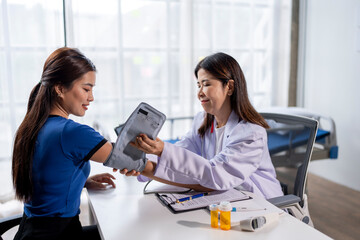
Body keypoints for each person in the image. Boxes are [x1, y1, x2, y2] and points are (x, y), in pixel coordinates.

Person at [122, 52, 283, 199]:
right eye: (198, 85)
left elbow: (217, 173)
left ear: (230, 87)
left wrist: (161, 150)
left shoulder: (251, 133)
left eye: (206, 84)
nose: (199, 92)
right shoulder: (203, 121)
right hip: (227, 197)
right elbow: (182, 150)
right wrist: (139, 159)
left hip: (262, 203)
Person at [12, 47, 115, 239]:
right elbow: (122, 157)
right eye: (86, 89)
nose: (91, 97)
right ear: (59, 88)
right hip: (58, 233)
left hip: (31, 231)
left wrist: (81, 182)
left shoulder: (33, 125)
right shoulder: (71, 131)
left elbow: (46, 176)